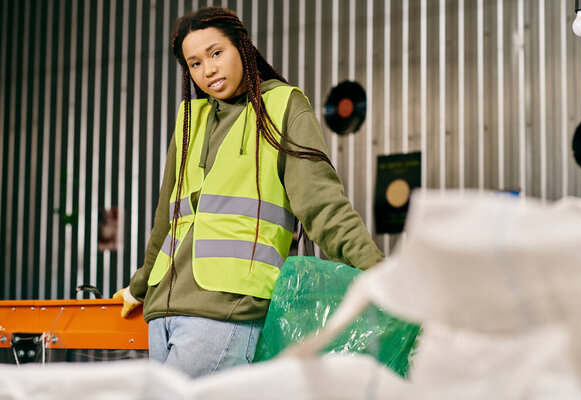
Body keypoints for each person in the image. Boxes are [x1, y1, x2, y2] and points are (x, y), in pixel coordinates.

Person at [113, 6, 383, 378]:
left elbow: (324, 206)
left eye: (216, 53)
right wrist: (140, 285)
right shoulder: (191, 120)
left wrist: (380, 272)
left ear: (243, 47)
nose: (207, 70)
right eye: (194, 63)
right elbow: (167, 217)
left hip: (224, 311)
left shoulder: (282, 105)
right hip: (163, 313)